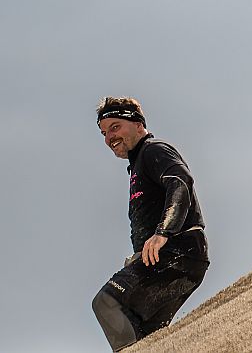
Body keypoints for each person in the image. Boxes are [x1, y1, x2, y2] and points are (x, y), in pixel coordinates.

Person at [91, 97, 209, 350]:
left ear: (138, 124)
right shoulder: (137, 165)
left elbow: (180, 182)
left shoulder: (153, 150)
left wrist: (163, 232)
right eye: (104, 133)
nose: (109, 138)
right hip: (176, 257)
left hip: (179, 250)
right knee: (146, 336)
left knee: (107, 302)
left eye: (115, 127)